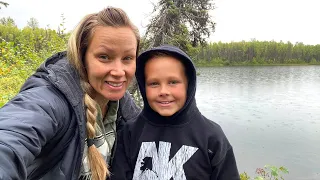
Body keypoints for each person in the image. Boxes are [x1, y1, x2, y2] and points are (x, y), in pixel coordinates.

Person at [0, 7, 141, 180]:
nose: (119, 71)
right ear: (82, 57)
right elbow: (10, 138)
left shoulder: (126, 110)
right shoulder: (53, 99)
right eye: (104, 57)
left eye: (127, 58)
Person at [111, 45, 240, 180]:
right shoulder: (130, 133)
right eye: (154, 83)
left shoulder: (211, 137)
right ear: (144, 86)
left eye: (173, 82)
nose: (163, 92)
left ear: (188, 85)